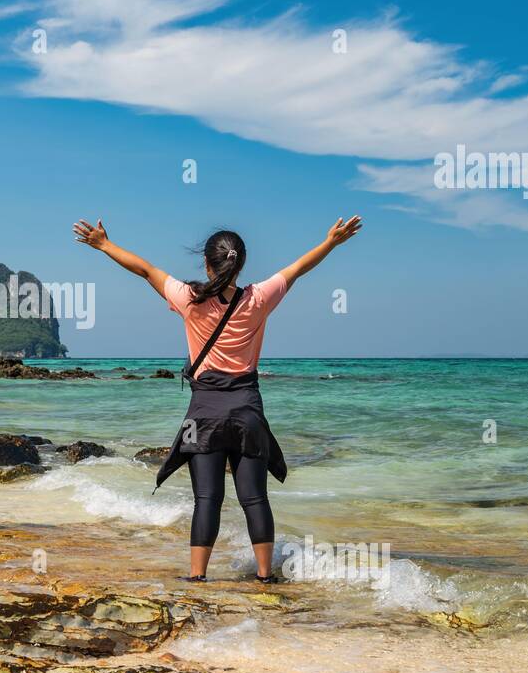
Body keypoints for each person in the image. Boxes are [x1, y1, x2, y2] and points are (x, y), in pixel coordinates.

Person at [72, 216, 363, 582]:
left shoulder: (189, 298)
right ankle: (264, 577)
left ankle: (197, 578)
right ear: (239, 265)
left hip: (202, 415)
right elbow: (299, 268)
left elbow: (145, 269)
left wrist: (103, 244)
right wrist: (331, 242)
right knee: (254, 499)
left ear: (207, 264)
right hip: (247, 412)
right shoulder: (258, 298)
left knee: (206, 499)